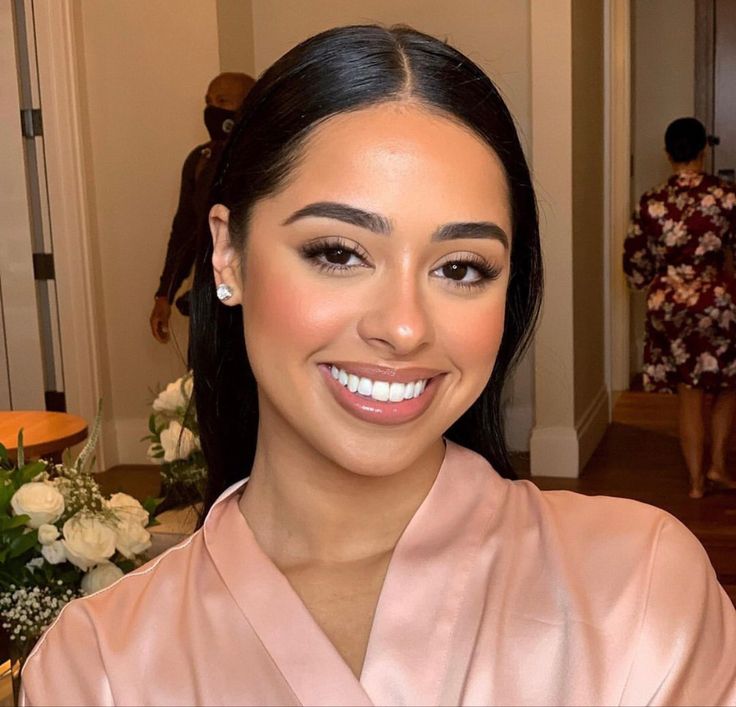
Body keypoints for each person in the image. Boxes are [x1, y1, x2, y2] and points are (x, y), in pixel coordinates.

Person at [21, 27, 736, 706]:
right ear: (227, 254)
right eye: (337, 252)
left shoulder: (640, 587)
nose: (403, 326)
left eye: (460, 267)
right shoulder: (99, 666)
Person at [624, 117, 736, 499]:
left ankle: (694, 483)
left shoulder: (652, 202)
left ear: (668, 154)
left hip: (669, 304)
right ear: (704, 150)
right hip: (715, 302)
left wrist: (657, 280)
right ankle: (718, 465)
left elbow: (636, 263)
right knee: (727, 385)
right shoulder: (726, 197)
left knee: (689, 394)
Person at [149, 71, 254, 344]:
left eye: (223, 101)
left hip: (255, 300)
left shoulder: (266, 160)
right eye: (209, 101)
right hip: (208, 302)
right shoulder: (200, 161)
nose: (212, 110)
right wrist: (165, 295)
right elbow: (184, 231)